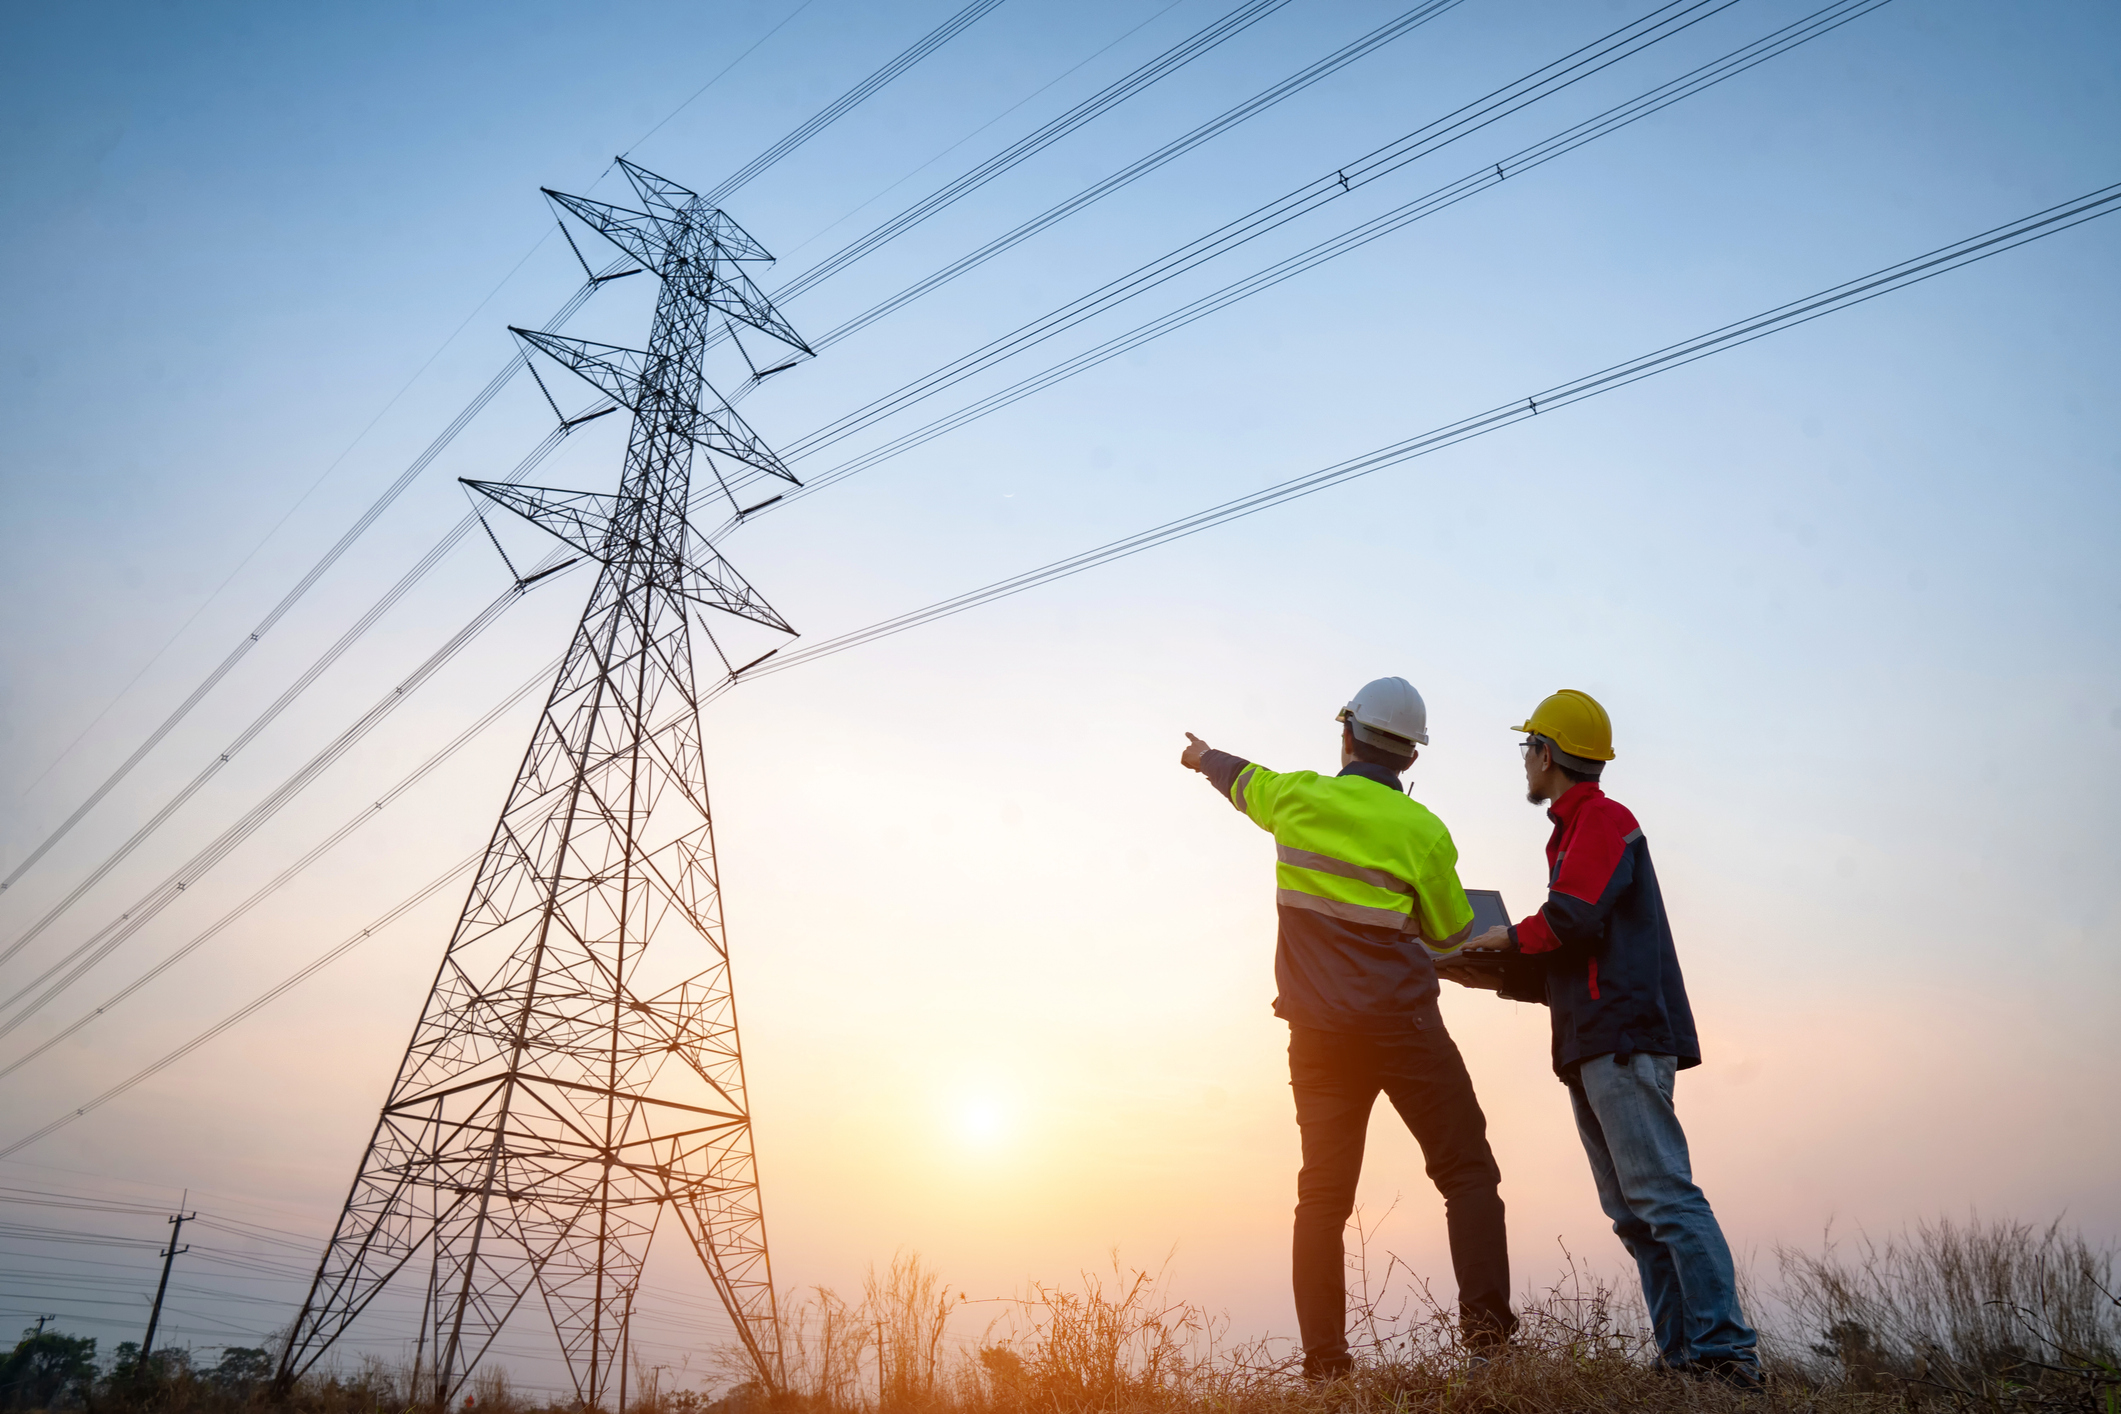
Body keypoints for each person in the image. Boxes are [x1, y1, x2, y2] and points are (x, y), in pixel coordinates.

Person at [1180, 677, 1515, 1379]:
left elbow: (1240, 779)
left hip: (1318, 1038)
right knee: (1465, 1173)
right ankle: (1486, 1347)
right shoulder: (1423, 831)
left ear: (1346, 735)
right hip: (1404, 1029)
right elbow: (1452, 931)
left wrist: (1203, 756)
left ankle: (1326, 1368)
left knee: (1323, 1197)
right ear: (1410, 758)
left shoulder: (1297, 797)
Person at [1439, 689, 1762, 1388]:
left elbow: (1572, 919)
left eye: (1527, 748)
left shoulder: (1603, 820)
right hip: (1592, 1044)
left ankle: (1727, 1354)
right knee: (1633, 1215)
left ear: (1547, 754)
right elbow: (1573, 956)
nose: (1524, 760)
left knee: (1664, 1199)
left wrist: (1505, 936)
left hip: (1620, 1041)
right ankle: (1683, 1359)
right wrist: (1486, 973)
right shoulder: (1571, 830)